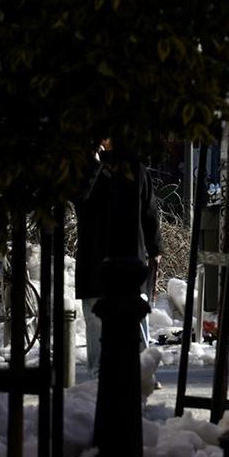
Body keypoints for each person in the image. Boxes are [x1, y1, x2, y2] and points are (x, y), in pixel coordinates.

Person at [74, 140, 159, 383]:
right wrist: (95, 165)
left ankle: (139, 370)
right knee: (96, 317)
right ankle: (101, 374)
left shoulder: (135, 169)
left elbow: (149, 210)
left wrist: (154, 248)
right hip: (99, 255)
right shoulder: (89, 170)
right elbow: (79, 197)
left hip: (126, 254)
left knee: (135, 316)